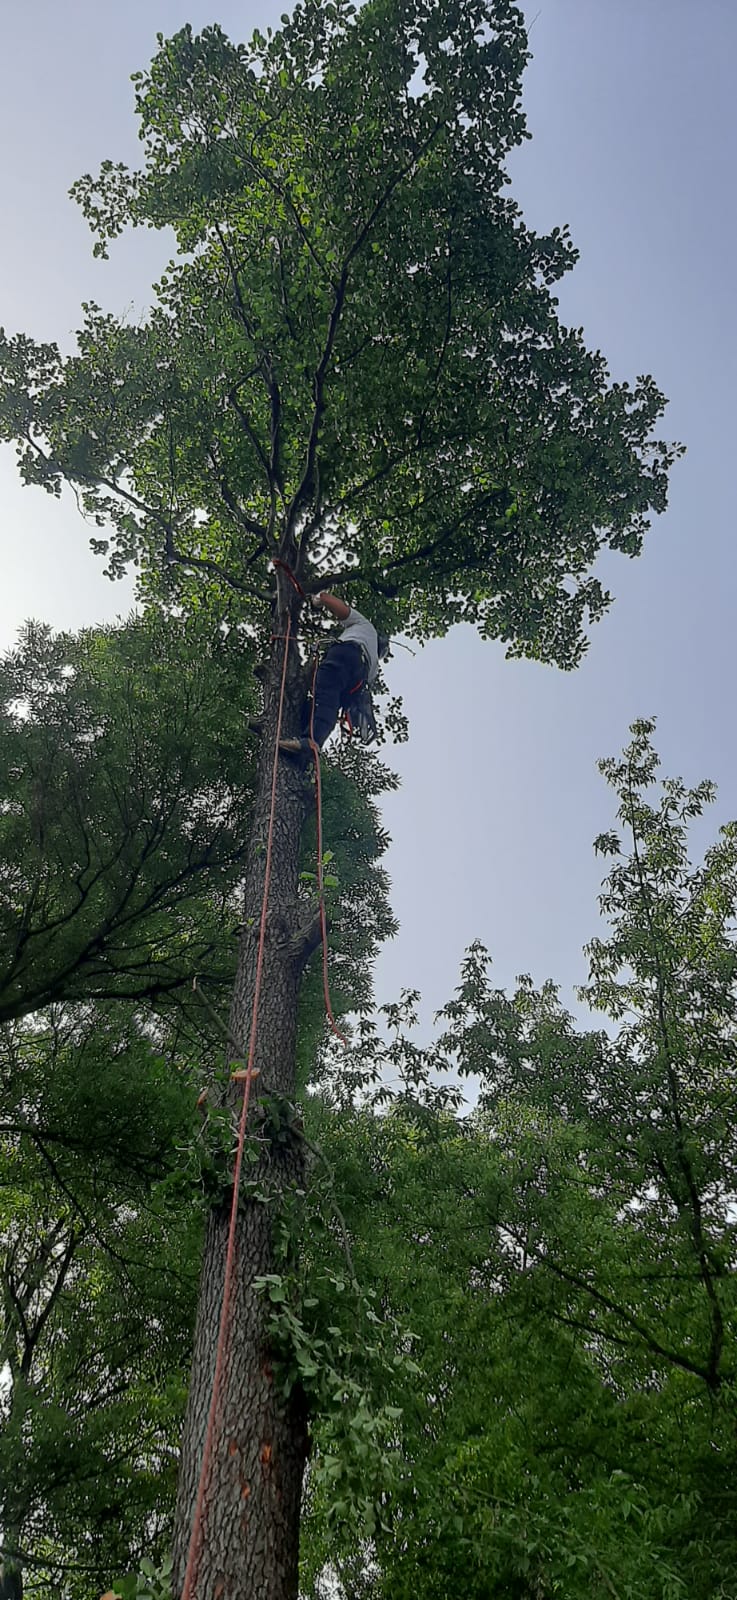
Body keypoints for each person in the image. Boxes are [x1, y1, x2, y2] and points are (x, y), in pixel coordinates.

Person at [279, 591, 388, 756]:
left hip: (346, 653)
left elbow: (329, 600)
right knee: (326, 702)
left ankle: (310, 742)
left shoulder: (366, 626)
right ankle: (304, 746)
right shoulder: (374, 668)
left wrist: (318, 601)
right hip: (356, 679)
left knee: (326, 695)